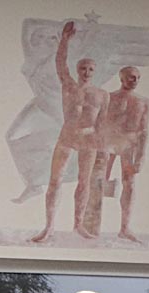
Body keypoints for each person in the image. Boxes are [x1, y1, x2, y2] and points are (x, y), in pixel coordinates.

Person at [31, 21, 109, 243]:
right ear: (78, 69)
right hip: (67, 137)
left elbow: (101, 124)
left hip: (89, 140)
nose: (86, 72)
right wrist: (64, 40)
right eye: (83, 68)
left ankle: (78, 224)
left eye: (90, 69)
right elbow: (60, 63)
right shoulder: (69, 85)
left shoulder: (102, 95)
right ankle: (49, 226)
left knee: (84, 182)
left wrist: (103, 149)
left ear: (95, 71)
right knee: (55, 181)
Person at [100, 66, 149, 242]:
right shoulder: (109, 98)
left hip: (129, 145)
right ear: (121, 79)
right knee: (98, 181)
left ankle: (124, 228)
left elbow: (143, 131)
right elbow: (100, 123)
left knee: (129, 184)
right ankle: (92, 224)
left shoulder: (143, 102)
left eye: (137, 77)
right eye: (131, 77)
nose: (134, 80)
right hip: (108, 143)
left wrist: (141, 157)